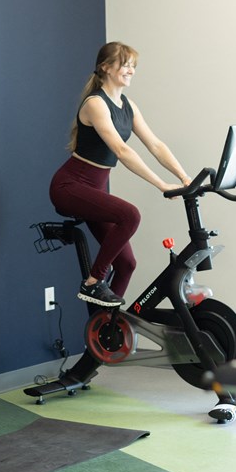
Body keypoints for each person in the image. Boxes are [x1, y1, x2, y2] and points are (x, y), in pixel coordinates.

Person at [49, 41, 192, 307]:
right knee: (130, 215)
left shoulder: (127, 105)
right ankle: (93, 283)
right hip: (70, 186)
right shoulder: (95, 104)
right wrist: (161, 184)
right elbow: (122, 150)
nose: (130, 70)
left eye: (133, 66)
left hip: (94, 189)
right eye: (125, 64)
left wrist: (185, 178)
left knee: (126, 264)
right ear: (105, 67)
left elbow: (155, 145)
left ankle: (105, 331)